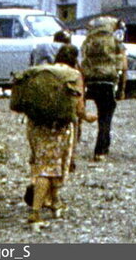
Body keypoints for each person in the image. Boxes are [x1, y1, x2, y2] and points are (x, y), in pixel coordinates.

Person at [25, 44, 95, 226]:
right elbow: (78, 107)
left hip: (35, 125)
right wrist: (87, 117)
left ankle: (54, 201)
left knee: (42, 162)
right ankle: (36, 211)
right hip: (60, 128)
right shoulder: (74, 75)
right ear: (75, 59)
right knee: (51, 168)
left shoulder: (43, 72)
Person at [81, 18, 126, 162]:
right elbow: (122, 64)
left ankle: (100, 144)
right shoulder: (115, 40)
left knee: (96, 112)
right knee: (106, 115)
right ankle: (100, 149)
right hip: (108, 80)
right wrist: (122, 88)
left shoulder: (89, 40)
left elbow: (83, 60)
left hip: (91, 80)